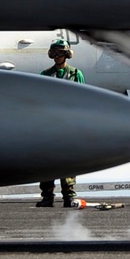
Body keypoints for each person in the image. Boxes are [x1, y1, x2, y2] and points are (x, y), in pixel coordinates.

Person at [36, 39, 85, 208]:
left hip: (70, 125)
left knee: (69, 161)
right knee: (47, 161)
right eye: (55, 53)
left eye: (61, 53)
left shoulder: (76, 74)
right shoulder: (45, 75)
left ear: (66, 55)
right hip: (50, 125)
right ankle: (47, 196)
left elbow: (83, 99)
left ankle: (69, 196)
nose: (57, 57)